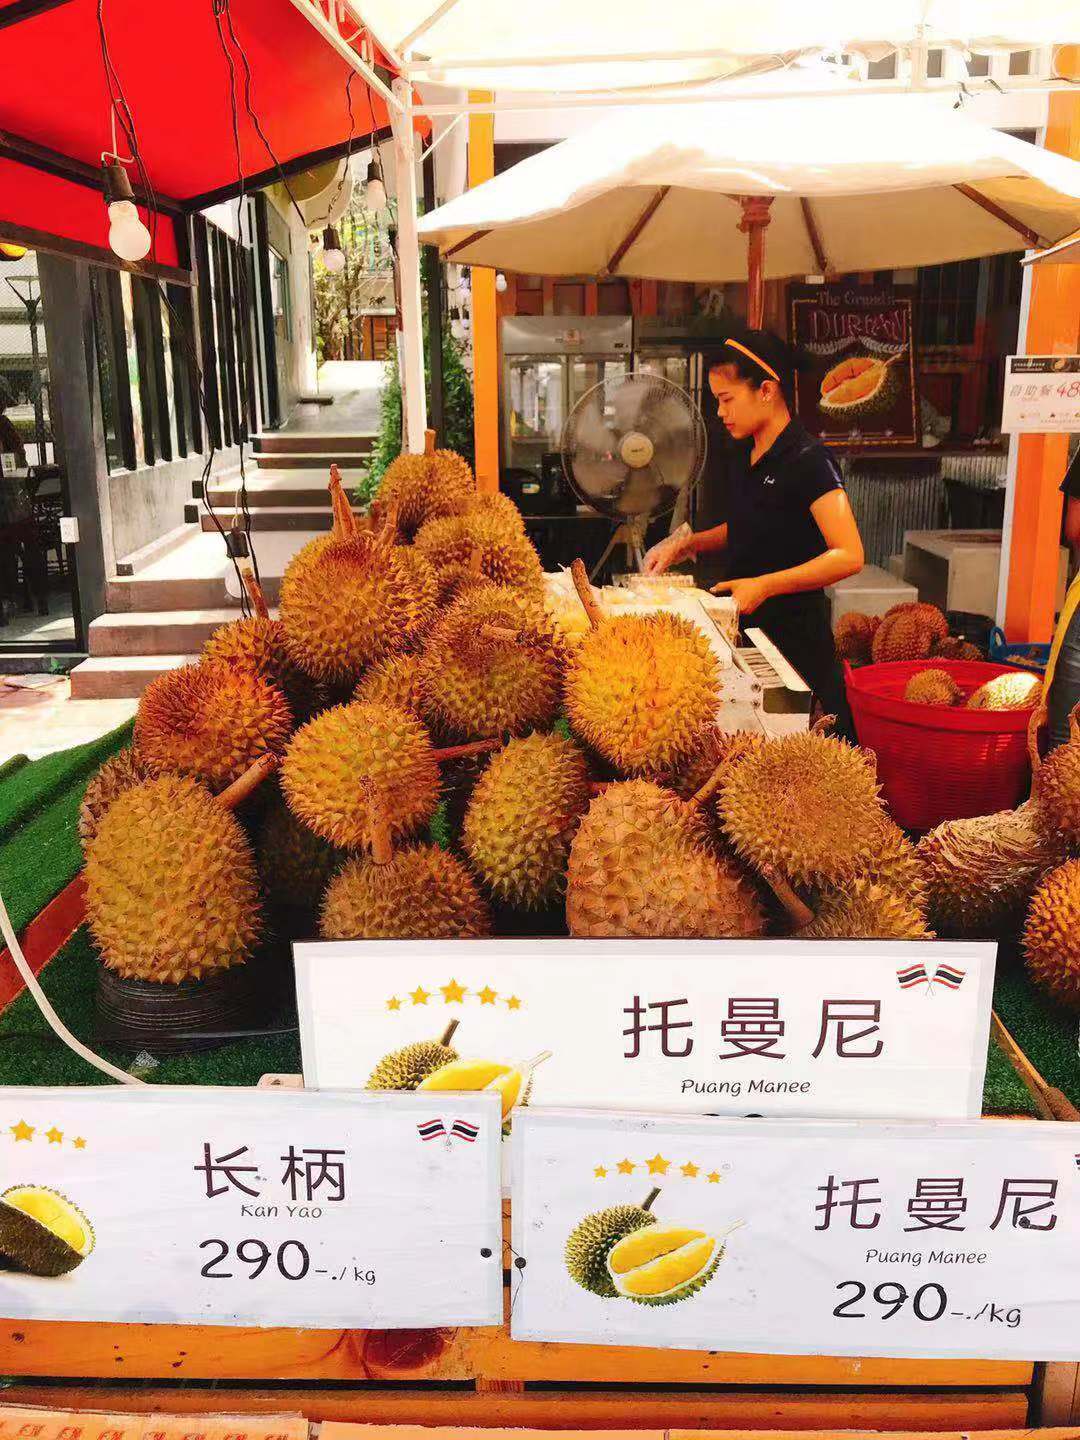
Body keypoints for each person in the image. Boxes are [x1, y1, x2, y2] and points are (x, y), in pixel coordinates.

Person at [643, 329, 865, 729]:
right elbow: (752, 525)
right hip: (749, 635)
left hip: (796, 644)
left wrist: (764, 585)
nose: (721, 413)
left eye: (727, 400)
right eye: (717, 402)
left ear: (766, 390)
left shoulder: (810, 460)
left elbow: (849, 554)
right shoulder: (748, 453)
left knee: (797, 760)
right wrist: (686, 544)